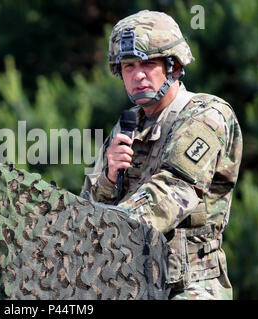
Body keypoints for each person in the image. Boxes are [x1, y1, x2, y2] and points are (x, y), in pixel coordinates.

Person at [81, 10, 243, 300]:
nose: (138, 75)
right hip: (130, 284)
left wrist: (106, 228)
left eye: (149, 63)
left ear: (175, 67)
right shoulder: (127, 125)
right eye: (128, 66)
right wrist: (108, 177)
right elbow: (87, 207)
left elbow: (172, 192)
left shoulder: (207, 115)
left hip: (191, 285)